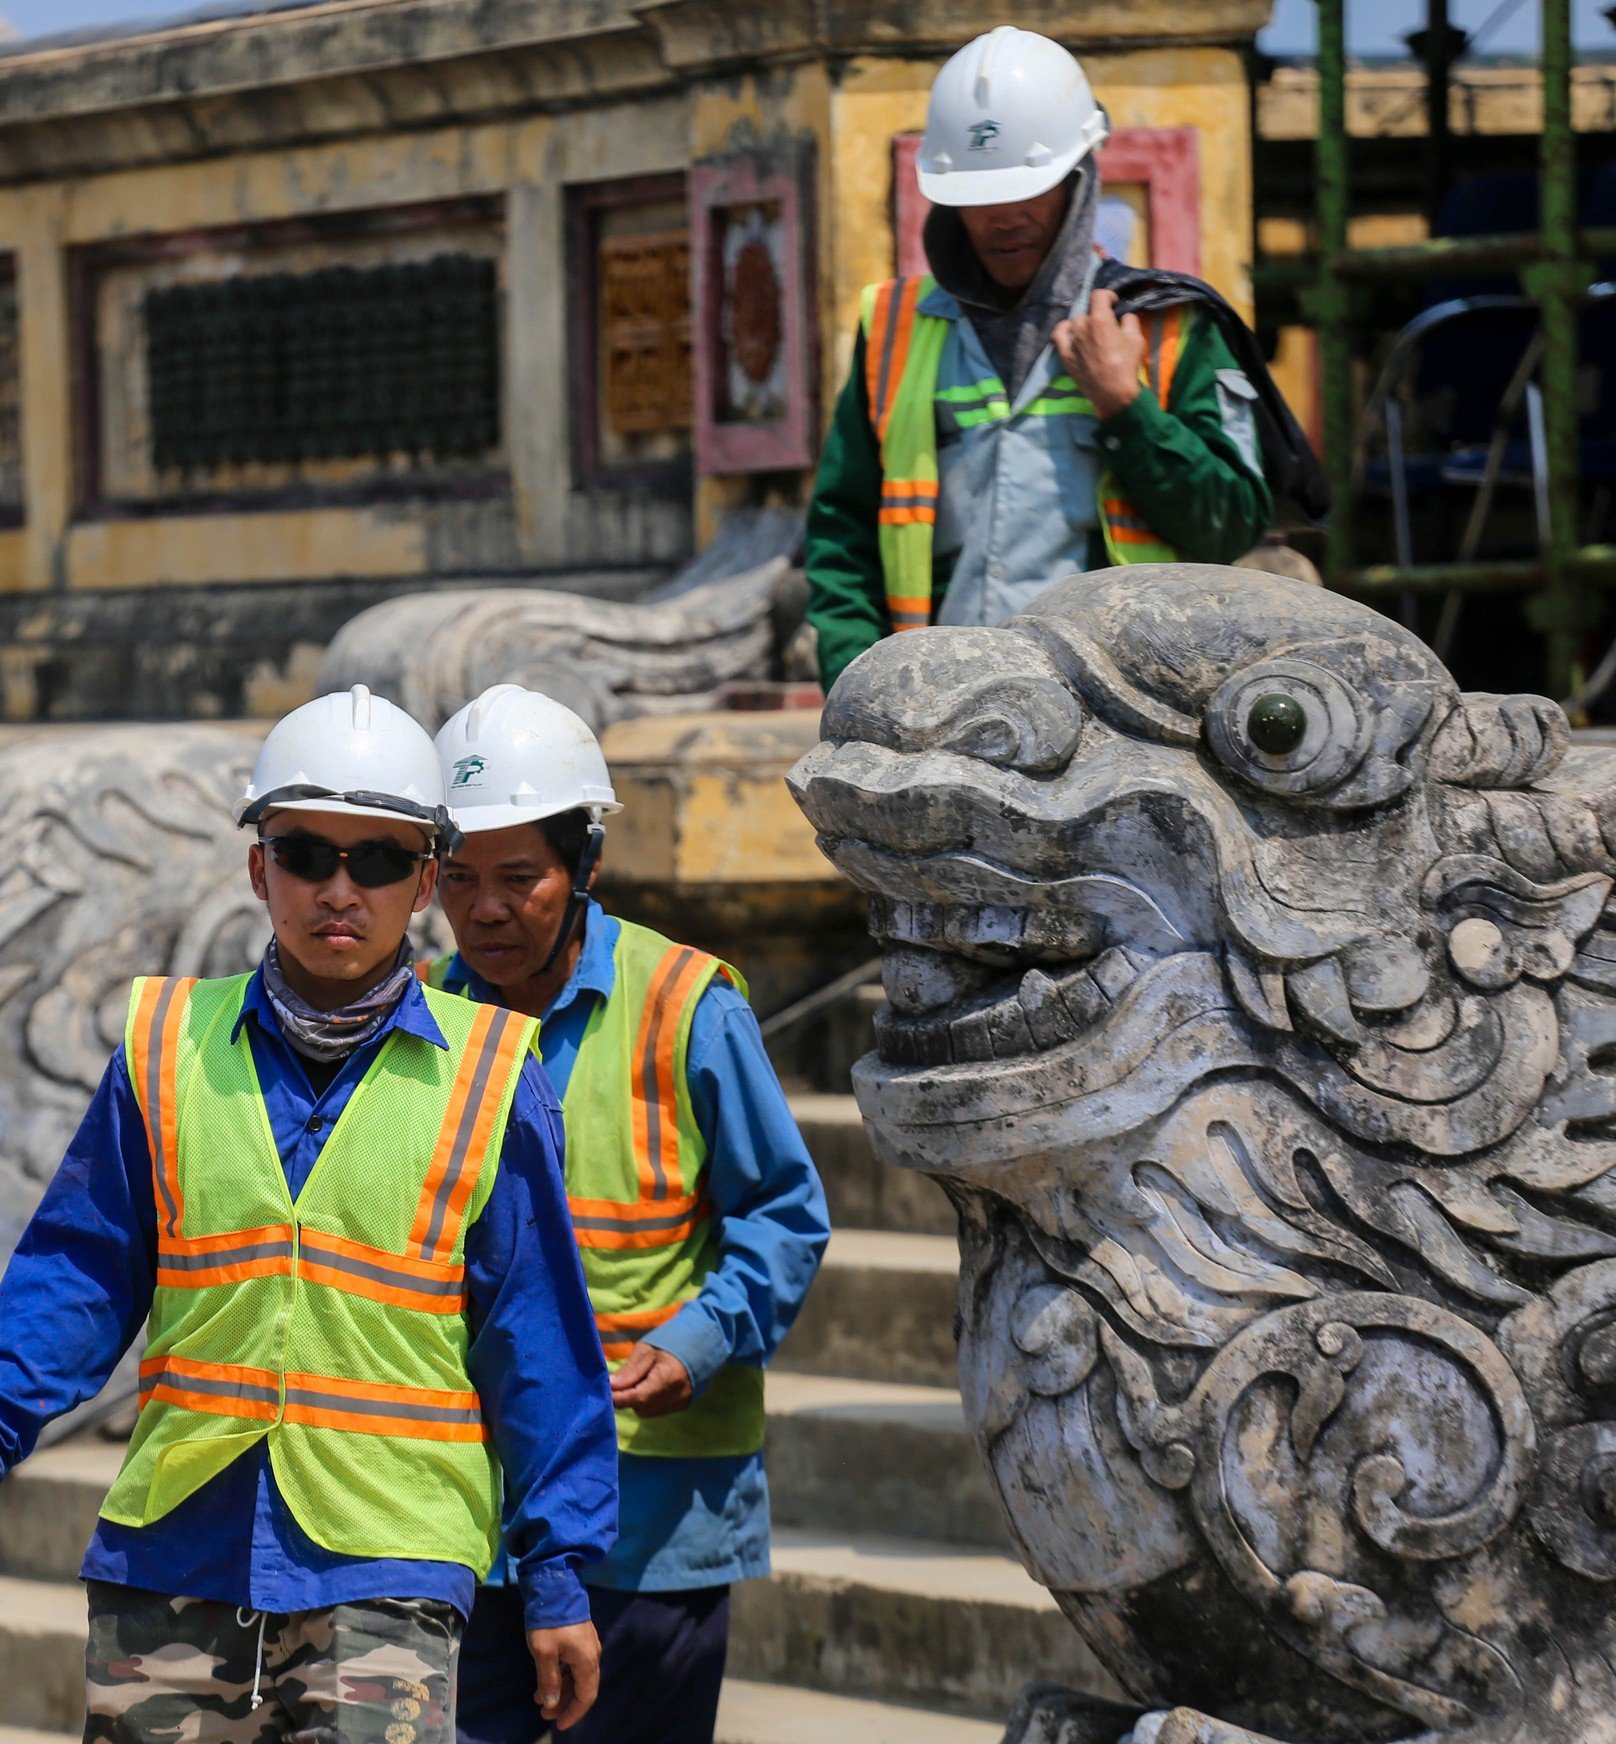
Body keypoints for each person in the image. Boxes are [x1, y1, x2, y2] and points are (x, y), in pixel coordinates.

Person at [0, 685, 618, 1744]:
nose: (340, 887)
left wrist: (557, 1574)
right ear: (258, 867)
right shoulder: (163, 1045)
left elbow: (539, 1346)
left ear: (424, 880)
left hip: (387, 1561)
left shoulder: (491, 1076)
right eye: (305, 854)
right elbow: (76, 1275)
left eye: (377, 859)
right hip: (172, 1556)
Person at [422, 685, 830, 1744]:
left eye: (520, 879)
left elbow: (783, 1216)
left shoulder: (688, 1005)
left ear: (586, 867)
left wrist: (695, 1341)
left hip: (651, 1508)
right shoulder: (420, 1015)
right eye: (457, 879)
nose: (485, 910)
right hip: (470, 1501)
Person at [804, 26, 1272, 685]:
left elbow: (1231, 527)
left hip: (1123, 724)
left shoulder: (1171, 327)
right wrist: (857, 684)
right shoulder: (891, 326)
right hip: (939, 715)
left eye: (1029, 187)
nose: (1003, 216)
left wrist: (1127, 408)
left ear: (1080, 179)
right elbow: (841, 538)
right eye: (979, 195)